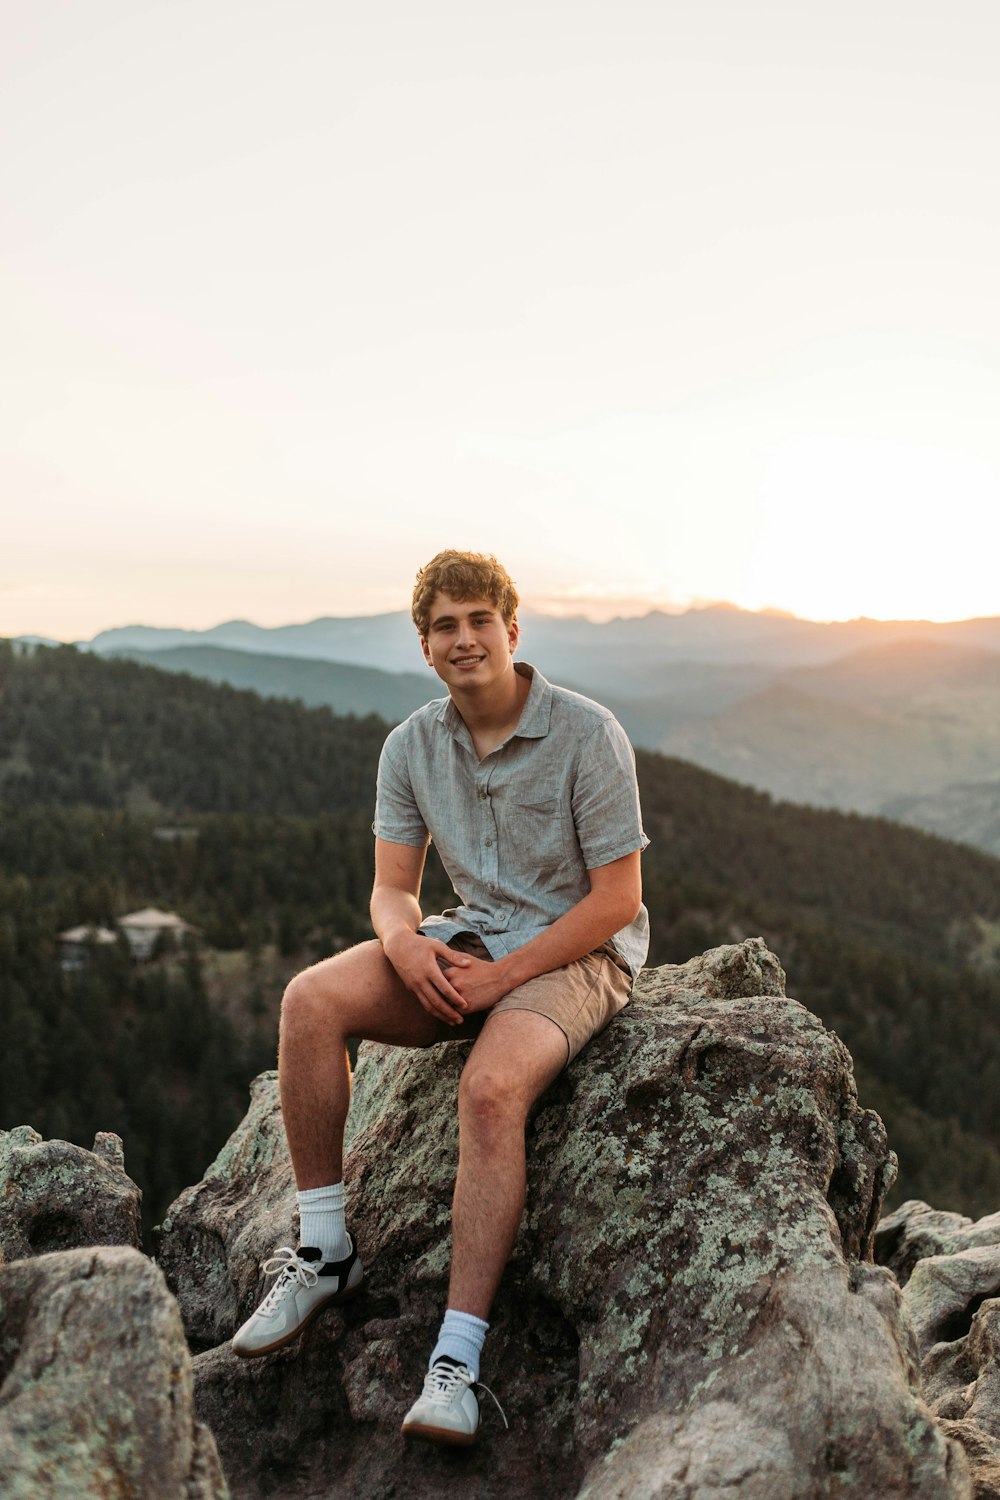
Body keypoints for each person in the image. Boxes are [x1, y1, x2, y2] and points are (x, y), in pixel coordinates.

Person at [232, 549, 649, 1446]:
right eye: (444, 627)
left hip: (580, 955)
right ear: (424, 646)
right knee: (310, 1000)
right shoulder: (412, 744)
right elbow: (392, 886)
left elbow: (618, 899)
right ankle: (323, 1249)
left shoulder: (587, 732)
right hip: (467, 937)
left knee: (490, 1091)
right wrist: (404, 943)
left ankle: (455, 1362)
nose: (464, 640)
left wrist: (505, 979)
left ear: (511, 628)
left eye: (478, 621)